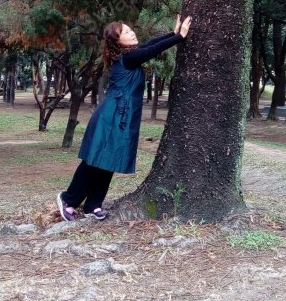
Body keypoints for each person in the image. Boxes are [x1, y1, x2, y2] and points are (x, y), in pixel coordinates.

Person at [57, 14, 192, 221]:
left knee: (110, 160)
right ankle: (68, 199)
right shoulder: (128, 58)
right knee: (94, 161)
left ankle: (93, 204)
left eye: (130, 29)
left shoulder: (129, 55)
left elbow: (149, 45)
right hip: (111, 116)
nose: (132, 32)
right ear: (117, 41)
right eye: (126, 32)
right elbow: (152, 50)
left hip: (122, 116)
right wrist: (179, 37)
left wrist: (173, 34)